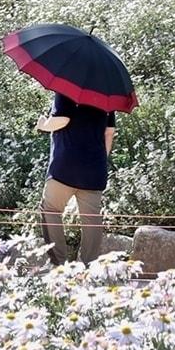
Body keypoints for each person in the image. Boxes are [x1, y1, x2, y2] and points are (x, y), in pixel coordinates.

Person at [37, 93, 116, 265]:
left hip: (64, 168)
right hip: (94, 170)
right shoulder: (107, 94)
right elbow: (109, 132)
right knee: (92, 220)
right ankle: (89, 267)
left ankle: (58, 265)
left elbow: (62, 120)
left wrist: (43, 124)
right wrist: (99, 159)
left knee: (50, 209)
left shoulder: (66, 89)